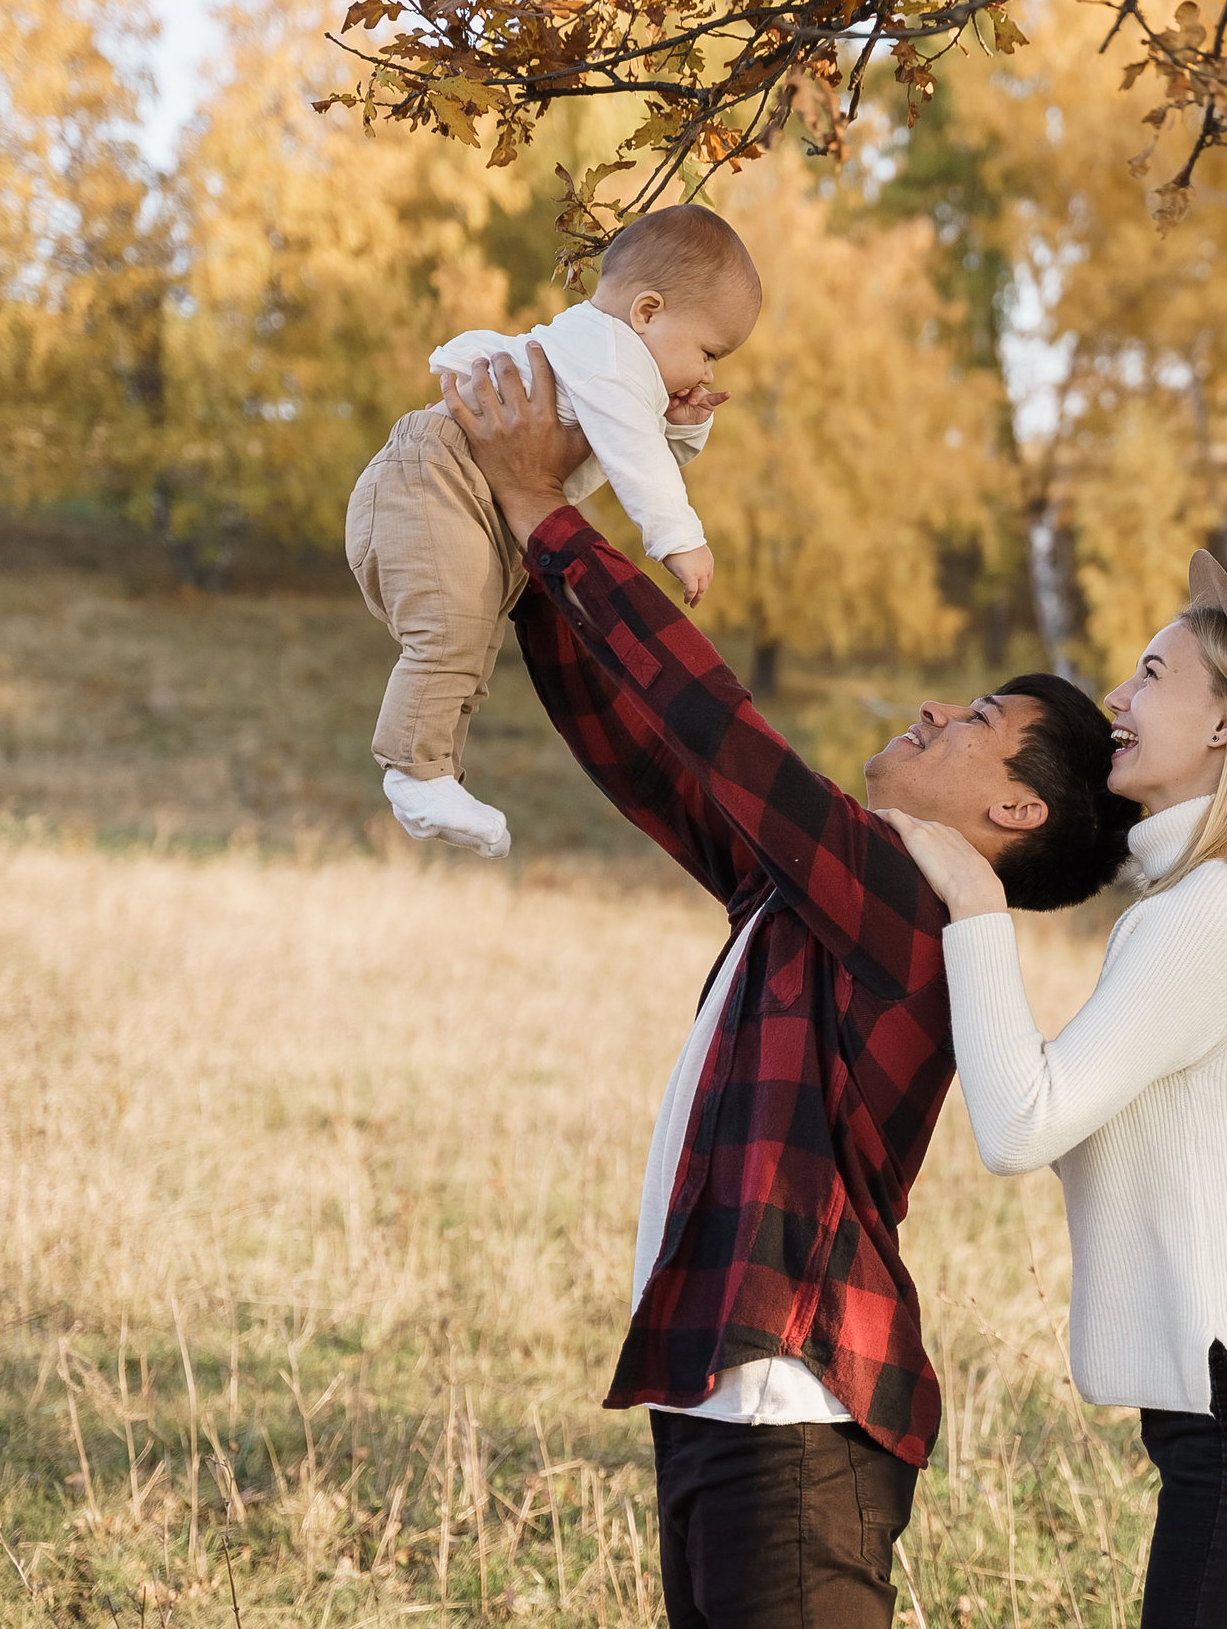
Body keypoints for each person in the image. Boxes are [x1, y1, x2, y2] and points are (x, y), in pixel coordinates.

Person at [434, 343, 1139, 1628]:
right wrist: (532, 538)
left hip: (797, 1407)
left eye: (976, 716)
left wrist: (551, 515)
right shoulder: (823, 896)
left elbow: (716, 726)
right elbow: (649, 752)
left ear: (1013, 804)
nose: (935, 708)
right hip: (729, 1396)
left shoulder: (906, 909)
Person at [881, 551, 1227, 1629]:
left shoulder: (1215, 911)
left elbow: (1020, 1126)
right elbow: (1079, 1118)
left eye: (1151, 674)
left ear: (1220, 727)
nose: (1116, 695)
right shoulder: (1216, 899)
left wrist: (975, 898)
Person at [344, 205, 758, 860]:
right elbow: (638, 460)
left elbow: (652, 450)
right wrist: (681, 539)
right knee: (450, 630)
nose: (709, 373)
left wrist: (684, 418)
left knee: (471, 643)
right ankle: (413, 768)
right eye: (708, 353)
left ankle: (435, 772)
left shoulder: (620, 373)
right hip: (435, 475)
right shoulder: (609, 349)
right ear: (647, 312)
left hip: (474, 497)